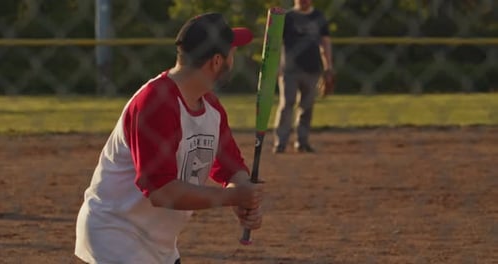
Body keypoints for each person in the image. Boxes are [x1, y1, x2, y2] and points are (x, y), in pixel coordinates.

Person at [75, 13, 263, 264]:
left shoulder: (211, 107)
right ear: (217, 61)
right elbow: (160, 190)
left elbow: (231, 166)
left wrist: (242, 192)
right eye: (232, 52)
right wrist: (231, 197)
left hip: (159, 244)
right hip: (115, 234)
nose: (234, 58)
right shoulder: (156, 102)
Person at [273, 0, 333, 153]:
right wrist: (275, 66)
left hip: (312, 69)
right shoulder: (288, 17)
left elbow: (325, 42)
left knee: (307, 106)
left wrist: (328, 67)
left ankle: (302, 142)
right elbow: (276, 42)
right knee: (287, 104)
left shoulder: (318, 16)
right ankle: (280, 142)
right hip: (289, 70)